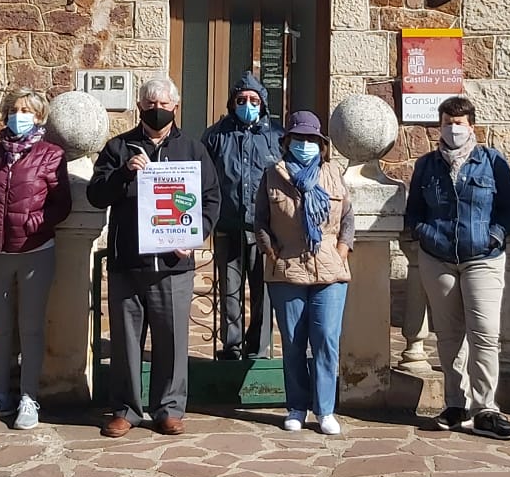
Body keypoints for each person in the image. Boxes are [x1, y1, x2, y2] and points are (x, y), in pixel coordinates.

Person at [88, 75, 221, 437]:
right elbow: (96, 195)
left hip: (174, 264)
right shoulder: (118, 147)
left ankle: (169, 409)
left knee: (172, 342)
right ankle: (126, 410)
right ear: (139, 107)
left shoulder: (193, 150)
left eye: (164, 104)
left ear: (176, 107)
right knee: (126, 343)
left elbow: (210, 199)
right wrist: (122, 176)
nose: (157, 110)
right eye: (150, 104)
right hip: (128, 262)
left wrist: (195, 236)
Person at [404, 95, 510, 441]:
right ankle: (455, 403)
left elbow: (509, 208)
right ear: (439, 125)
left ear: (471, 126)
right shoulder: (426, 165)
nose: (453, 128)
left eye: (459, 123)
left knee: (485, 333)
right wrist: (426, 234)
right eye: (447, 122)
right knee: (449, 335)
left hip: (482, 259)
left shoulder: (492, 162)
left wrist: (494, 236)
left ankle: (486, 407)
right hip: (437, 258)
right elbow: (414, 213)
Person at [0, 86, 71, 431]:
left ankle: (28, 396)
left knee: (31, 327)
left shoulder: (51, 154)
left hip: (35, 251)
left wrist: (34, 223)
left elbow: (61, 203)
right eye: (14, 109)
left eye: (26, 110)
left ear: (39, 117)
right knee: (0, 329)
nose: (18, 116)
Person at [254, 110, 352, 435]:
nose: (305, 144)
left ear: (321, 144)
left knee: (325, 339)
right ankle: (297, 406)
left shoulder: (333, 173)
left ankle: (325, 409)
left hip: (330, 271)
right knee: (294, 341)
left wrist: (341, 251)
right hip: (287, 270)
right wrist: (270, 250)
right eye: (299, 139)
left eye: (311, 139)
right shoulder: (272, 175)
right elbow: (260, 220)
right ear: (288, 142)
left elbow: (348, 219)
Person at [202, 72, 282, 361]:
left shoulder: (277, 136)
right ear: (232, 102)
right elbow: (204, 180)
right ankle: (231, 346)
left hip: (265, 230)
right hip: (228, 225)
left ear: (262, 104)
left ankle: (258, 350)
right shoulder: (215, 136)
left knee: (264, 293)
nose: (247, 104)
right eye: (241, 100)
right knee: (230, 291)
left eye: (253, 100)